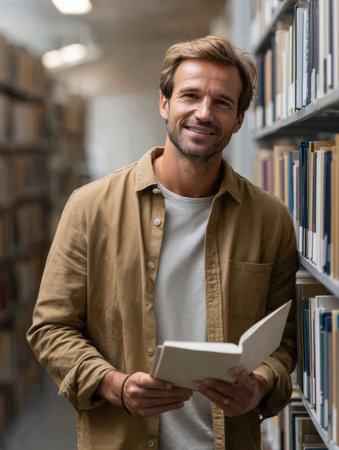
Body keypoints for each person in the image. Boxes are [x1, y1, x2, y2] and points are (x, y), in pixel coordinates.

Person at [27, 35, 298, 450]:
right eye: (190, 95)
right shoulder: (89, 208)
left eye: (223, 102)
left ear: (239, 119)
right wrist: (112, 384)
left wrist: (261, 385)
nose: (204, 113)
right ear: (165, 103)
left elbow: (286, 342)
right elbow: (51, 328)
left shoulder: (270, 219)